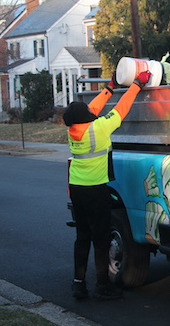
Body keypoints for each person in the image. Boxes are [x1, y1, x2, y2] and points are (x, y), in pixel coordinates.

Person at [63, 69, 152, 300]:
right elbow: (121, 109)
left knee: (82, 238)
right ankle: (103, 285)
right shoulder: (99, 129)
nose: (91, 113)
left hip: (77, 191)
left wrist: (109, 88)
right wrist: (136, 85)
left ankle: (78, 284)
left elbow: (90, 110)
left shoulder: (72, 131)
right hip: (96, 191)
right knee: (101, 239)